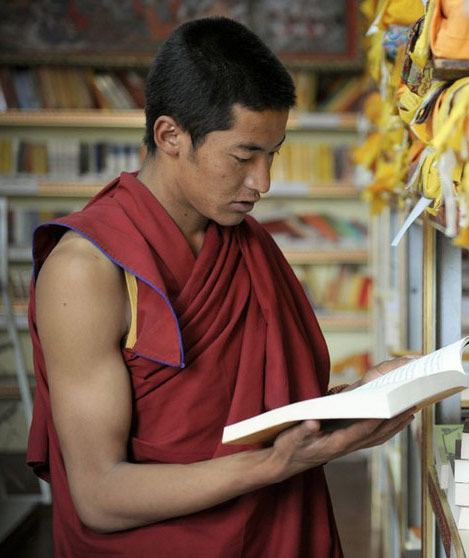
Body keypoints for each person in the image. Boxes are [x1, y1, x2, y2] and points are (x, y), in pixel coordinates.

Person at [26, 17, 412, 557]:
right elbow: (100, 494)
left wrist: (357, 403)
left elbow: (252, 424)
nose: (263, 182)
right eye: (243, 156)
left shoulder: (246, 246)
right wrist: (279, 463)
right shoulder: (88, 269)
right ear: (170, 136)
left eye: (272, 154)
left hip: (268, 524)